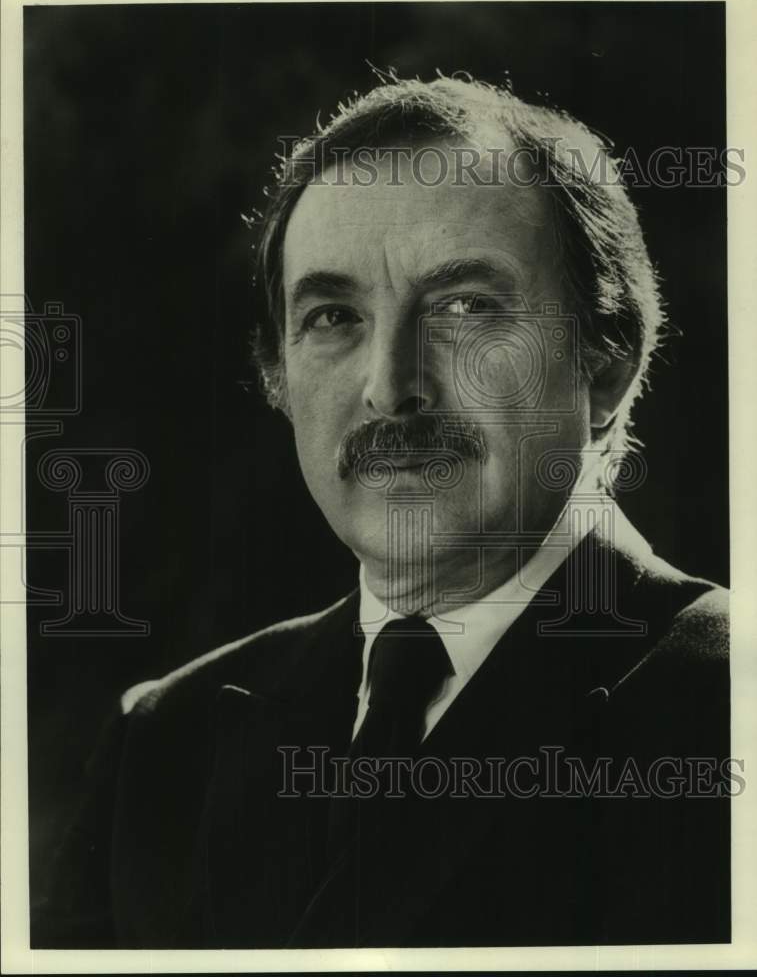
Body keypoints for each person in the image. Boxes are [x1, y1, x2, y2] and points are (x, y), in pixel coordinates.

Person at [35, 75, 730, 949]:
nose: (389, 389)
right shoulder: (166, 744)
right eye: (332, 316)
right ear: (278, 379)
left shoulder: (722, 706)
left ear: (606, 363)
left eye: (464, 306)